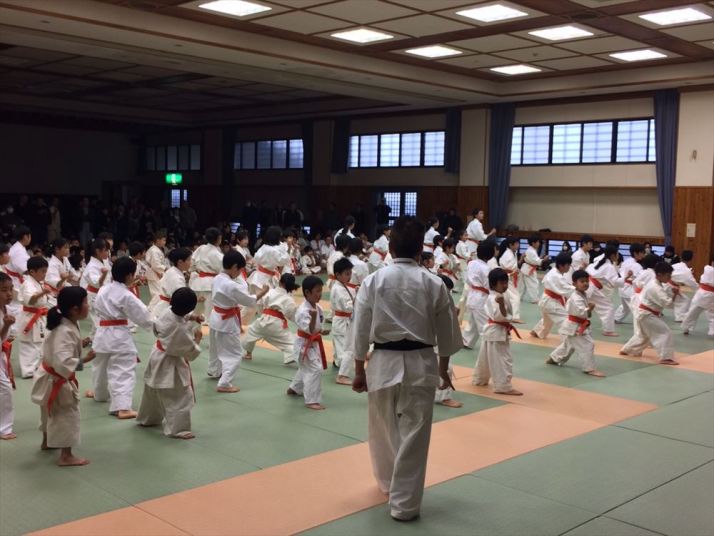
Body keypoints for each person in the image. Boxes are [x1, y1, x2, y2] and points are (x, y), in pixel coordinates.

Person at [351, 216, 461, 521]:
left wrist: (358, 369)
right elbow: (447, 333)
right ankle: (405, 505)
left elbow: (360, 330)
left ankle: (388, 484)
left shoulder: (374, 281)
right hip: (421, 362)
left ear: (390, 247)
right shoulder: (434, 283)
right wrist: (443, 369)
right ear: (420, 248)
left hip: (383, 362)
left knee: (383, 429)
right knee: (415, 434)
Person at [31, 287, 94, 465]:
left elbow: (60, 349)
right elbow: (63, 361)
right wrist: (85, 359)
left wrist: (81, 343)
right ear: (74, 309)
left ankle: (47, 442)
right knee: (67, 414)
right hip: (57, 378)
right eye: (85, 302)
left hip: (48, 375)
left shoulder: (66, 323)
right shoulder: (64, 330)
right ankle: (66, 456)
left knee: (49, 411)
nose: (88, 306)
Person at [89, 257, 153, 419]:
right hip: (118, 336)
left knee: (100, 366)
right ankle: (122, 407)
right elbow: (144, 317)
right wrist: (161, 328)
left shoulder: (103, 289)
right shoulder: (126, 295)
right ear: (130, 275)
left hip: (101, 333)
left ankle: (99, 394)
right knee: (123, 369)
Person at [137, 287, 203, 439]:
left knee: (153, 391)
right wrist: (197, 339)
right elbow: (189, 351)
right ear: (189, 308)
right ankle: (178, 429)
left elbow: (179, 317)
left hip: (157, 355)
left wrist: (192, 317)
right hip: (170, 362)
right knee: (178, 395)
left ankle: (148, 419)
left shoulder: (168, 311)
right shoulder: (179, 329)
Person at [208, 251, 268, 393]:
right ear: (234, 267)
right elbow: (249, 300)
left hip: (216, 318)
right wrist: (263, 291)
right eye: (240, 270)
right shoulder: (231, 285)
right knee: (234, 353)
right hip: (226, 321)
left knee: (215, 349)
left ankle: (215, 371)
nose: (240, 273)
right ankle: (224, 383)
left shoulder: (217, 278)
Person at [472, 268, 523, 396]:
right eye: (502, 283)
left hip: (492, 331)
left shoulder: (499, 295)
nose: (505, 285)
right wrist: (500, 305)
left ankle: (480, 379)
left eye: (506, 282)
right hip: (496, 332)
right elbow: (500, 316)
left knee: (485, 357)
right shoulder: (494, 298)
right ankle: (503, 386)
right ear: (493, 284)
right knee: (502, 360)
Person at [547, 270, 605, 377]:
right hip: (575, 326)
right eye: (582, 281)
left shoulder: (581, 294)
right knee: (587, 345)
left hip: (574, 325)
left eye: (587, 281)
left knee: (569, 345)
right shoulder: (576, 297)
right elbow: (581, 312)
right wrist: (589, 308)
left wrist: (588, 309)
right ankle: (589, 368)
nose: (585, 283)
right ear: (574, 284)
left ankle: (554, 358)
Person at [620, 262, 679, 365]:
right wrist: (674, 294)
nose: (670, 278)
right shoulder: (655, 287)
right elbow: (668, 304)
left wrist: (672, 292)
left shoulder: (655, 283)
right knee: (665, 332)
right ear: (659, 275)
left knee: (643, 336)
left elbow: (663, 296)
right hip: (647, 315)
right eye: (668, 275)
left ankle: (627, 350)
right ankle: (666, 358)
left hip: (644, 313)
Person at [287, 275, 330, 410]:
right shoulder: (302, 311)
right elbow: (310, 330)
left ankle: (294, 388)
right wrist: (313, 317)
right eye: (317, 291)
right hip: (304, 345)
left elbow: (316, 328)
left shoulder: (318, 308)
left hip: (312, 343)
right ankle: (311, 400)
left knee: (306, 367)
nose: (320, 294)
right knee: (315, 369)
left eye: (321, 290)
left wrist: (321, 331)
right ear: (307, 292)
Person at [243, 274, 299, 364]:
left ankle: (248, 354)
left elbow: (262, 303)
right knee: (288, 341)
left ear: (280, 282)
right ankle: (291, 356)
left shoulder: (271, 292)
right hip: (277, 323)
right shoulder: (289, 299)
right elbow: (291, 314)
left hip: (263, 320)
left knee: (251, 333)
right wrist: (300, 323)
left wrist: (263, 313)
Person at [434, 275, 463, 409]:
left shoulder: (441, 300)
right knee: (445, 368)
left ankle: (440, 394)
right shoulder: (433, 299)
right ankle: (443, 397)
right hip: (435, 340)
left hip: (432, 340)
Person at [18, 256, 50, 378]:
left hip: (38, 316)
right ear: (32, 272)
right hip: (30, 317)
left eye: (45, 271)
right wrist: (43, 292)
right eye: (42, 271)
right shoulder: (28, 284)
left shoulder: (36, 282)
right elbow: (30, 300)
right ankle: (27, 370)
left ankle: (35, 367)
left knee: (38, 342)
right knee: (29, 343)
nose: (44, 274)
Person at [530, 253, 573, 339]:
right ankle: (568, 339)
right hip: (550, 302)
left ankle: (537, 331)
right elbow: (567, 289)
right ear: (561, 265)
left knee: (548, 319)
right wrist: (580, 289)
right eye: (568, 265)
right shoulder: (556, 276)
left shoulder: (554, 271)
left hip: (546, 300)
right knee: (565, 320)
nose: (569, 267)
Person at [586, 245, 625, 337]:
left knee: (582, 305)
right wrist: (625, 278)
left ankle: (578, 324)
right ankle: (608, 330)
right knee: (608, 307)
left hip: (589, 284)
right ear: (612, 255)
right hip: (593, 287)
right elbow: (615, 281)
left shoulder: (600, 259)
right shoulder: (609, 266)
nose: (618, 256)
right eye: (617, 254)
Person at [462, 241, 494, 349]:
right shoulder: (486, 268)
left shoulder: (471, 263)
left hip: (472, 294)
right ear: (490, 254)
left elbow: (467, 279)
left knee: (473, 322)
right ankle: (490, 345)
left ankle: (466, 341)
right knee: (484, 324)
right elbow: (488, 285)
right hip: (480, 298)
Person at [189, 227, 223, 321]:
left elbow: (192, 262)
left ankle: (193, 328)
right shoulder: (217, 254)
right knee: (209, 312)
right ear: (218, 238)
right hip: (210, 285)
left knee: (196, 311)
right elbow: (223, 270)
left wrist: (194, 269)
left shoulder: (201, 248)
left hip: (198, 282)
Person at [331, 258, 355, 386]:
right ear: (338, 275)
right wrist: (358, 298)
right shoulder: (338, 289)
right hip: (342, 321)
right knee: (349, 349)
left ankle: (337, 361)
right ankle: (342, 375)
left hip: (342, 321)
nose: (349, 276)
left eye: (350, 273)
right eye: (347, 274)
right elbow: (348, 307)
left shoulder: (341, 286)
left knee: (340, 345)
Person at [80, 238, 111, 337]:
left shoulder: (103, 261)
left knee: (100, 320)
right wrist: (104, 274)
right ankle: (97, 342)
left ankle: (91, 338)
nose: (108, 252)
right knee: (99, 322)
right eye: (106, 250)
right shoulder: (91, 266)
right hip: (94, 296)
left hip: (102, 294)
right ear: (98, 251)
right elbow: (97, 283)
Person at [248, 225, 289, 293]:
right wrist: (285, 248)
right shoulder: (272, 250)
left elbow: (256, 259)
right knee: (263, 298)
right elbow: (284, 261)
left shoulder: (264, 247)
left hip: (262, 275)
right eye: (279, 237)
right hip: (263, 278)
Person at [0, 272, 16, 440]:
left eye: (10, 289)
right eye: (4, 290)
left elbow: (6, 338)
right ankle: (4, 429)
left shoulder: (8, 309)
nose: (9, 294)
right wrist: (5, 326)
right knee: (5, 389)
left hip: (1, 355)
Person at [682, 257, 714, 337]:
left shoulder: (708, 268)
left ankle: (686, 327)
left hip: (702, 294)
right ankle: (712, 331)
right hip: (708, 294)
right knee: (711, 314)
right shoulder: (709, 269)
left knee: (693, 311)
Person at [6, 226, 31, 325]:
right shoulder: (18, 250)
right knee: (17, 306)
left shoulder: (18, 248)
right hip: (15, 282)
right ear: (25, 236)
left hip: (16, 279)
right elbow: (25, 270)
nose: (30, 238)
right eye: (29, 236)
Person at [614, 243, 646, 324]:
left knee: (625, 307)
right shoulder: (636, 265)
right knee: (635, 306)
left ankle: (616, 318)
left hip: (622, 287)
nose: (643, 254)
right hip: (629, 289)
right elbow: (641, 278)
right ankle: (641, 322)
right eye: (642, 252)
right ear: (635, 253)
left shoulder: (627, 261)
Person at [498, 237, 522, 322]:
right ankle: (515, 317)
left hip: (510, 276)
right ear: (511, 245)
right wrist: (513, 272)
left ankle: (509, 313)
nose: (518, 245)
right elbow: (505, 267)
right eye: (516, 244)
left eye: (518, 243)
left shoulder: (512, 253)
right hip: (507, 276)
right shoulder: (507, 254)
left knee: (508, 296)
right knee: (515, 296)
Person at [520, 235, 549, 303]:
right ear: (533, 243)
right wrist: (544, 260)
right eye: (538, 242)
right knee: (533, 284)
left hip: (527, 269)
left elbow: (535, 259)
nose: (539, 243)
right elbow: (536, 261)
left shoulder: (531, 250)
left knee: (523, 285)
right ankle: (534, 299)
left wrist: (541, 259)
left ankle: (519, 297)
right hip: (528, 269)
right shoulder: (531, 251)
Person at [671, 250, 698, 322]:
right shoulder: (686, 271)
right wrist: (700, 290)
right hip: (670, 288)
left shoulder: (674, 265)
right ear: (692, 259)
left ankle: (679, 316)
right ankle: (680, 317)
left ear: (681, 257)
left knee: (680, 299)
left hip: (664, 285)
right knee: (684, 300)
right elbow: (693, 285)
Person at [45, 238, 74, 306]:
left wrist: (66, 277)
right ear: (57, 249)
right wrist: (64, 278)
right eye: (66, 247)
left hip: (65, 288)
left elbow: (71, 274)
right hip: (54, 294)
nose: (68, 250)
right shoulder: (51, 264)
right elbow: (57, 285)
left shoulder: (65, 259)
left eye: (68, 247)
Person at [145, 231, 168, 314]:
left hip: (155, 273)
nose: (165, 242)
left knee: (157, 294)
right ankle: (148, 311)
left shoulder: (155, 250)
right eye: (163, 240)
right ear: (158, 240)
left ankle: (153, 312)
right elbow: (156, 265)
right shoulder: (154, 250)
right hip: (154, 274)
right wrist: (165, 269)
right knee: (158, 295)